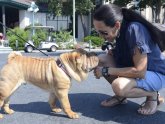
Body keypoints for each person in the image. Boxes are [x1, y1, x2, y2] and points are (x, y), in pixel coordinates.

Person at [93, 3, 165, 115]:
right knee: (101, 60)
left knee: (119, 85)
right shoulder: (121, 30)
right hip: (142, 73)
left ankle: (153, 96)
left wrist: (106, 71)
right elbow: (129, 52)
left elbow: (140, 72)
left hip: (155, 74)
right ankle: (121, 97)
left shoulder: (134, 29)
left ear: (116, 25)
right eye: (98, 32)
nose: (101, 36)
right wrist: (116, 52)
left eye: (103, 32)